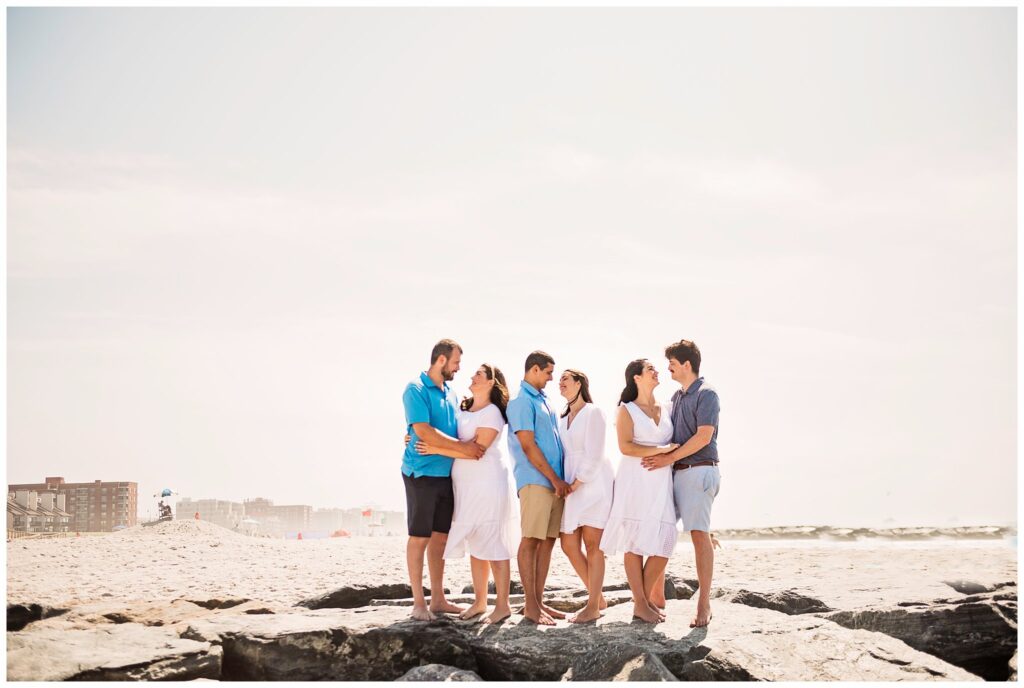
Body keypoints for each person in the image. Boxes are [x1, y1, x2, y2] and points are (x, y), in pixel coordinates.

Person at [415, 363, 519, 625]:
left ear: (491, 383)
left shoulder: (493, 413)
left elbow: (476, 450)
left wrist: (435, 449)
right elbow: (452, 439)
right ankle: (480, 601)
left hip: (488, 481)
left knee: (493, 538)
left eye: (479, 375)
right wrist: (418, 440)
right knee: (476, 541)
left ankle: (503, 605)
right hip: (465, 484)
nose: (472, 376)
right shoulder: (464, 408)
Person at [401, 338, 484, 621]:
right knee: (419, 537)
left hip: (447, 475)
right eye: (456, 362)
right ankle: (418, 604)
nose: (458, 368)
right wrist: (465, 449)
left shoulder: (450, 391)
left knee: (440, 538)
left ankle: (437, 599)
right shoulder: (415, 389)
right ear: (441, 361)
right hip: (421, 473)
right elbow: (424, 431)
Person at [642, 339, 721, 628]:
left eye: (672, 364)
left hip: (700, 470)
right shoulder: (676, 397)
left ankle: (704, 604)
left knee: (698, 535)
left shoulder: (707, 394)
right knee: (660, 527)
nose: (669, 369)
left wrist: (668, 458)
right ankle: (654, 597)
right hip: (676, 473)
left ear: (686, 364)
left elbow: (703, 437)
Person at [599, 359, 679, 623]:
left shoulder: (666, 407)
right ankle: (641, 603)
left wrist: (667, 456)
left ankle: (641, 602)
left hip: (661, 481)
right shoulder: (627, 410)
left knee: (665, 540)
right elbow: (626, 447)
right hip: (635, 479)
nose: (657, 372)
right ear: (636, 377)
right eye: (651, 369)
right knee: (634, 541)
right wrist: (660, 451)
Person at [507, 350, 569, 625]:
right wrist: (555, 480)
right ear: (533, 370)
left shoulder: (545, 401)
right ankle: (530, 607)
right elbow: (528, 445)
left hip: (553, 482)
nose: (552, 378)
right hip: (535, 480)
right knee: (531, 541)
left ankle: (539, 603)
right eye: (547, 372)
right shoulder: (521, 401)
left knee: (547, 542)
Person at [556, 368, 614, 624]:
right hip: (570, 484)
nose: (560, 384)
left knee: (593, 544)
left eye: (565, 379)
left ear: (580, 383)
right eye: (558, 380)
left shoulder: (593, 412)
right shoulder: (562, 417)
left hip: (593, 483)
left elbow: (595, 452)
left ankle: (593, 606)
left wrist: (578, 482)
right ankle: (598, 596)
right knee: (568, 543)